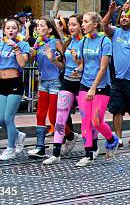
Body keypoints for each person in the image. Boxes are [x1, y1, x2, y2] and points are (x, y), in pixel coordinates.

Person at [75, 12, 120, 167]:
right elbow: (83, 64)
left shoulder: (105, 41)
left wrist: (93, 88)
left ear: (95, 24)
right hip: (84, 84)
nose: (82, 25)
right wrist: (77, 66)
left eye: (85, 22)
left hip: (100, 86)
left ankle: (111, 139)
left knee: (96, 121)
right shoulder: (83, 42)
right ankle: (88, 154)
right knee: (85, 120)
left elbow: (103, 67)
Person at [104, 2, 130, 148]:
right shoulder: (115, 31)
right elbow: (103, 27)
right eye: (121, 16)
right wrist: (110, 12)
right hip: (117, 79)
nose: (123, 18)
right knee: (116, 109)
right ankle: (119, 138)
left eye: (126, 17)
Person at [43, 15, 83, 165]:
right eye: (70, 25)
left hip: (82, 84)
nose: (71, 27)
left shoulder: (86, 42)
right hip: (67, 82)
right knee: (60, 117)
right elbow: (64, 66)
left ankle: (91, 148)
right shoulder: (68, 42)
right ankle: (56, 153)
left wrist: (79, 64)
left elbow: (87, 65)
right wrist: (53, 60)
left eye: (74, 24)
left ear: (81, 27)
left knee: (87, 118)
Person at [0, 19, 31, 161]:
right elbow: (0, 63)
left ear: (18, 30)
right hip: (1, 82)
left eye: (14, 28)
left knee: (9, 118)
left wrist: (16, 48)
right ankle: (18, 134)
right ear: (4, 29)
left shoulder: (23, 44)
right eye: (8, 28)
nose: (10, 30)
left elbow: (22, 63)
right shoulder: (0, 44)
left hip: (15, 82)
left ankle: (10, 149)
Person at [28, 17, 65, 158]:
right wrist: (31, 55)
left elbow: (64, 65)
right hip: (43, 81)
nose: (38, 28)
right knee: (40, 113)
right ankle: (40, 147)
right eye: (37, 26)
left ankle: (68, 136)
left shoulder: (56, 43)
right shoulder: (38, 42)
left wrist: (53, 60)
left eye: (41, 25)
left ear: (49, 29)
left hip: (55, 81)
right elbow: (32, 61)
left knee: (54, 116)